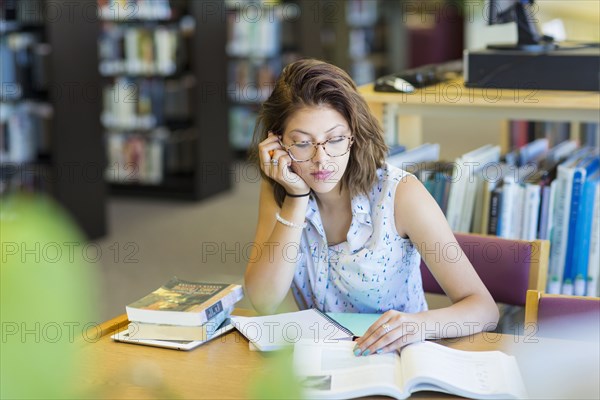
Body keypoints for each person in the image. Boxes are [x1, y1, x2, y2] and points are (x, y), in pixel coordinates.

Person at [244, 59, 499, 356]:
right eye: (302, 143)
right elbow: (263, 299)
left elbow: (484, 308)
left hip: (396, 358)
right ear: (276, 143)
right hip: (324, 361)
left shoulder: (400, 194)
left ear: (353, 135)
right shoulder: (281, 187)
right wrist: (296, 198)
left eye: (335, 139)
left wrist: (418, 325)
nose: (321, 159)